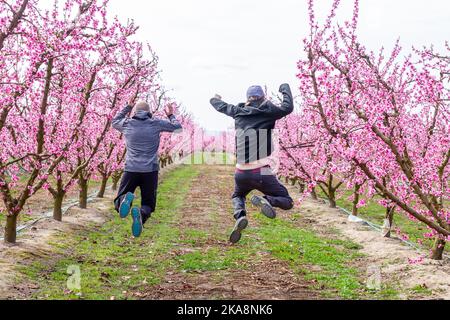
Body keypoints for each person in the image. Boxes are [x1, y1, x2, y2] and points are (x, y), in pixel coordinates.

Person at [210, 84, 295, 244]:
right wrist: (284, 88)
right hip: (261, 171)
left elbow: (219, 106)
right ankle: (268, 200)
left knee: (238, 195)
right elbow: (287, 107)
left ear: (247, 99)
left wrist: (215, 98)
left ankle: (240, 215)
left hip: (241, 172)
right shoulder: (269, 112)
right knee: (286, 200)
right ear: (263, 97)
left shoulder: (237, 111)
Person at [112, 100, 182, 237]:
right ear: (149, 112)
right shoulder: (156, 123)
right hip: (150, 171)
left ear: (135, 112)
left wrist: (128, 106)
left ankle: (125, 199)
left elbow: (115, 121)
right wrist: (170, 115)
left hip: (131, 169)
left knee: (119, 200)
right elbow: (178, 127)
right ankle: (142, 214)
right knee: (148, 203)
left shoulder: (127, 124)